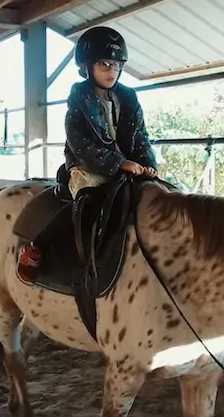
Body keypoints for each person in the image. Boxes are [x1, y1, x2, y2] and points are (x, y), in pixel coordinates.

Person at [17, 26, 159, 274]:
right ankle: (36, 247)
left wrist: (148, 163)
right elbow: (78, 142)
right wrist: (117, 163)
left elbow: (141, 135)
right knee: (88, 201)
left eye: (116, 64)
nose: (111, 71)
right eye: (104, 64)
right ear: (87, 66)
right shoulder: (78, 95)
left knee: (160, 193)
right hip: (89, 166)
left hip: (128, 166)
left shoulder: (129, 97)